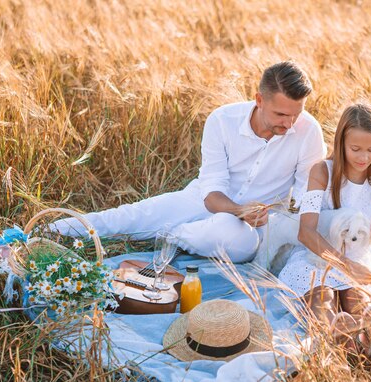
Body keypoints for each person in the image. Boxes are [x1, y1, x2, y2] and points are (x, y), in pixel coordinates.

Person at [51, 61, 327, 262]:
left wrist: (279, 219)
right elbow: (211, 190)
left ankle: (173, 234)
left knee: (239, 243)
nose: (289, 123)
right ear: (258, 100)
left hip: (256, 224)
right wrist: (238, 208)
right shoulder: (222, 120)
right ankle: (48, 231)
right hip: (205, 199)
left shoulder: (308, 131)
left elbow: (307, 194)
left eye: (296, 114)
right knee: (130, 215)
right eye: (281, 114)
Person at [277, 103, 371, 353]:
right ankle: (337, 341)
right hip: (318, 257)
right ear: (340, 142)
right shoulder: (322, 171)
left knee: (356, 300)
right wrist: (346, 266)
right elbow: (306, 232)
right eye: (355, 149)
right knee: (323, 297)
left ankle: (366, 341)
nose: (363, 157)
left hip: (360, 260)